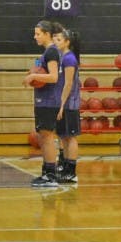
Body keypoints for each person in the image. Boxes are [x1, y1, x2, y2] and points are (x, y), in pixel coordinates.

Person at [23, 19, 62, 188]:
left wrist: (34, 77)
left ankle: (51, 175)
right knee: (43, 137)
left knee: (47, 137)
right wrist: (32, 73)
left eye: (38, 34)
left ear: (47, 34)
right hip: (43, 100)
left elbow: (54, 77)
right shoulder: (46, 53)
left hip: (49, 100)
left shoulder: (52, 52)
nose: (35, 36)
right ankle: (47, 172)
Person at [53, 27, 81, 185]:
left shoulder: (69, 59)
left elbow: (69, 83)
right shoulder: (63, 57)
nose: (55, 42)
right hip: (62, 102)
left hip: (70, 103)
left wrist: (62, 104)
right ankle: (64, 166)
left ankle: (72, 171)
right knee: (63, 135)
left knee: (70, 136)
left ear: (67, 42)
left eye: (59, 40)